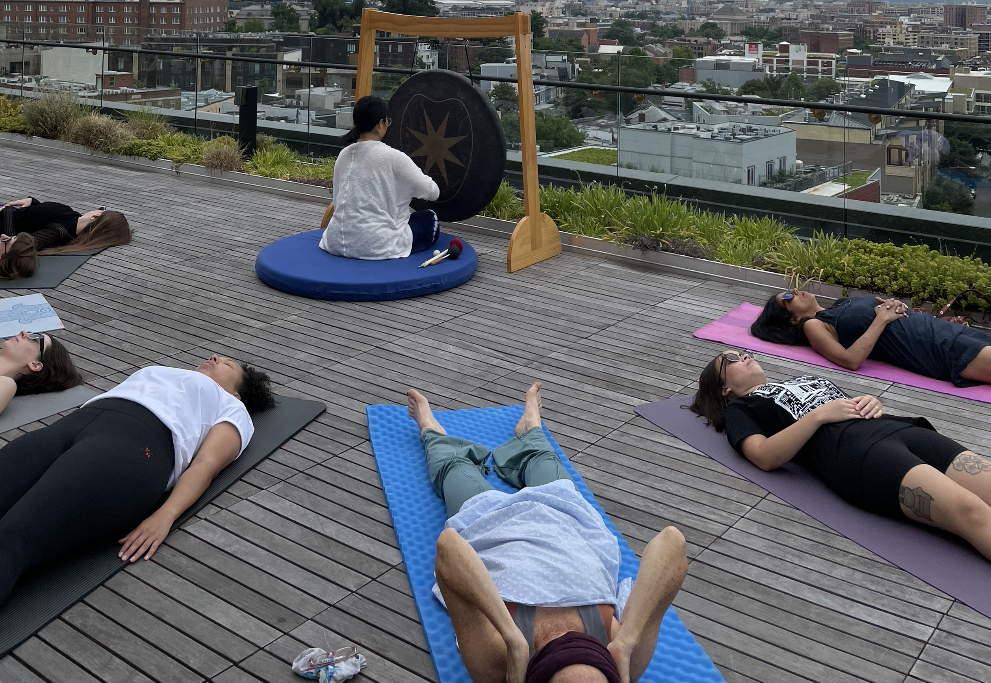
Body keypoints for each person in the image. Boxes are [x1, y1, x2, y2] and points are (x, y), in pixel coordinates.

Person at [0, 352, 276, 648]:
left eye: (227, 364)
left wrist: (166, 514)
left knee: (10, 543)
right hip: (68, 429)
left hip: (134, 450)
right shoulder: (166, 373)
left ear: (237, 392)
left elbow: (206, 465)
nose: (215, 358)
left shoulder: (232, 408)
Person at [409, 381, 688, 683]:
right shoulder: (623, 658)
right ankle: (530, 426)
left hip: (492, 524)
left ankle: (430, 429)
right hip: (565, 520)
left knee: (453, 468)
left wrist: (512, 639)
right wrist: (628, 640)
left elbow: (449, 547)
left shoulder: (498, 664)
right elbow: (672, 542)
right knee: (542, 459)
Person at [691, 349, 991, 561]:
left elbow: (844, 406)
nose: (743, 355)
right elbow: (764, 456)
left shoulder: (796, 380)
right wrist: (818, 416)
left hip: (897, 428)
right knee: (970, 511)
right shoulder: (740, 408)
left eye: (742, 352)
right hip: (857, 452)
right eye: (730, 359)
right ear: (724, 388)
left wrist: (869, 402)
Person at [751, 289, 991, 387]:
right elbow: (850, 360)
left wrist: (895, 305)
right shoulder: (814, 325)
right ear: (793, 319)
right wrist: (882, 319)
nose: (795, 290)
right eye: (788, 297)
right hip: (940, 347)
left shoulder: (840, 304)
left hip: (942, 330)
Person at [320, 95, 441, 260]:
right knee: (429, 218)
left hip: (334, 241)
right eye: (387, 121)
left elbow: (338, 199)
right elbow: (432, 192)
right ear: (379, 124)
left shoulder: (343, 155)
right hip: (375, 245)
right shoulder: (394, 157)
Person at [0, 198, 131, 254]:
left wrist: (7, 213)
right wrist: (33, 203)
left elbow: (15, 243)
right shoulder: (71, 219)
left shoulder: (60, 231)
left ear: (96, 215)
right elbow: (45, 218)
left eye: (101, 209)